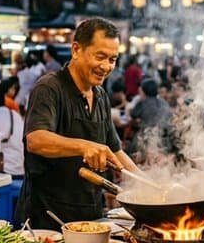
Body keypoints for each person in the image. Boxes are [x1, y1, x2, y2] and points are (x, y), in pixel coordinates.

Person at [17, 18, 137, 229]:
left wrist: (151, 187)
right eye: (100, 57)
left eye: (112, 59)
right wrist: (84, 146)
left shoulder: (100, 95)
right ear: (76, 50)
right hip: (47, 220)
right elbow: (36, 140)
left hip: (89, 216)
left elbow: (115, 150)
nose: (106, 66)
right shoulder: (49, 88)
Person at [129, 78, 174, 156]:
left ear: (143, 91)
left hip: (148, 139)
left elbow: (133, 114)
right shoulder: (164, 102)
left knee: (129, 152)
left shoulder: (143, 103)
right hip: (166, 141)